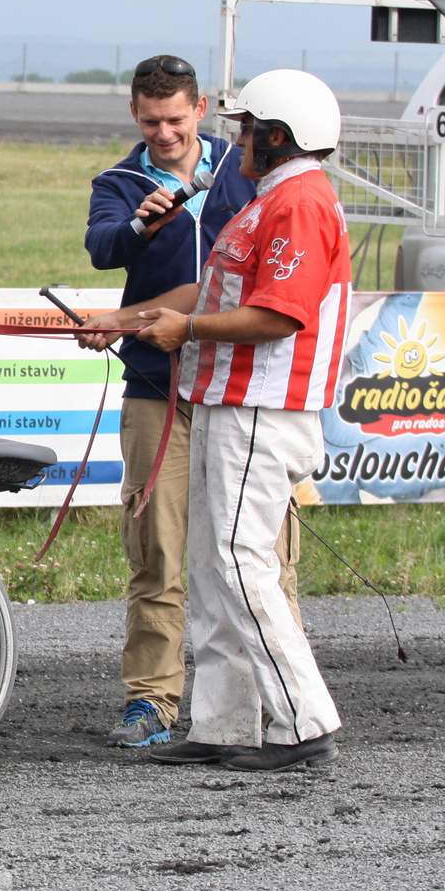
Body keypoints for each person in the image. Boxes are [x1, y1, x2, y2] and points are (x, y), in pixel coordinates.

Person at [80, 69, 348, 772]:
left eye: (248, 128)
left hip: (261, 403)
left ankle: (304, 721)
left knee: (239, 562)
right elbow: (210, 286)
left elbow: (279, 314)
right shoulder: (268, 201)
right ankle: (224, 724)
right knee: (211, 565)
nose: (238, 139)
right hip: (231, 401)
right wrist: (130, 319)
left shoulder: (299, 204)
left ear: (278, 136)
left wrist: (186, 329)